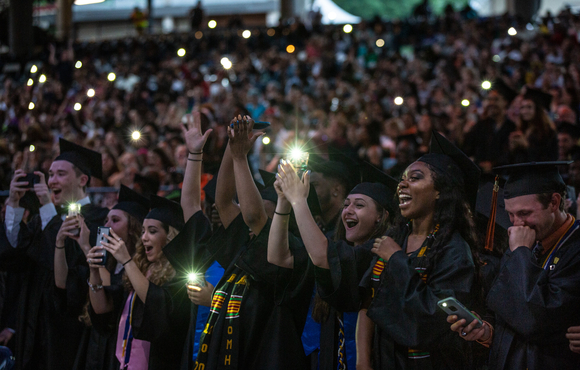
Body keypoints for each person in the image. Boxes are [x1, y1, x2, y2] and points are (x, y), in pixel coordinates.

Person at [313, 131, 481, 368]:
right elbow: (367, 303)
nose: (402, 184)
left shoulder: (453, 250)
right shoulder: (395, 239)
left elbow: (432, 321)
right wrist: (363, 362)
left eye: (415, 178)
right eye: (402, 178)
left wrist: (396, 260)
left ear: (440, 191)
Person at [193, 116, 312, 369]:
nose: (248, 221)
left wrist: (239, 157)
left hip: (263, 356)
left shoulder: (292, 250)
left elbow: (254, 216)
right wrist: (232, 145)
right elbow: (223, 201)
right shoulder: (244, 244)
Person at [448, 161, 580, 369]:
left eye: (525, 213)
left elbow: (537, 319)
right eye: (510, 214)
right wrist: (486, 331)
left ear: (554, 202)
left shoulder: (573, 246)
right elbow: (506, 311)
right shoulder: (524, 245)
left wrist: (520, 252)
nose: (516, 223)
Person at [268, 161, 397, 370]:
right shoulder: (336, 246)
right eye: (346, 205)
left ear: (381, 216)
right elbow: (278, 257)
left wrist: (298, 200)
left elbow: (323, 257)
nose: (348, 211)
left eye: (359, 205)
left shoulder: (380, 254)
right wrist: (283, 201)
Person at [0, 138, 109, 370]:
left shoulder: (100, 218)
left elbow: (69, 265)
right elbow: (13, 256)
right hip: (32, 318)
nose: (52, 181)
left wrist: (46, 205)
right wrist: (14, 202)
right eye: (50, 174)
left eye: (60, 174)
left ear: (82, 180)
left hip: (66, 325)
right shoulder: (43, 218)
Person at [54, 185, 149, 370]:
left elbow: (109, 297)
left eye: (115, 220)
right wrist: (60, 241)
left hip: (121, 349)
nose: (107, 226)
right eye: (106, 220)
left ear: (133, 227)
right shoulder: (110, 264)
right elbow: (62, 283)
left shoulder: (140, 268)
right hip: (95, 347)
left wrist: (87, 248)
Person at [87, 195, 186, 369]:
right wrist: (94, 271)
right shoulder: (140, 270)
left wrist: (126, 261)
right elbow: (103, 308)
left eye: (153, 231)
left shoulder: (179, 276)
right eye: (143, 232)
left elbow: (156, 304)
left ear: (170, 237)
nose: (145, 238)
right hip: (124, 362)